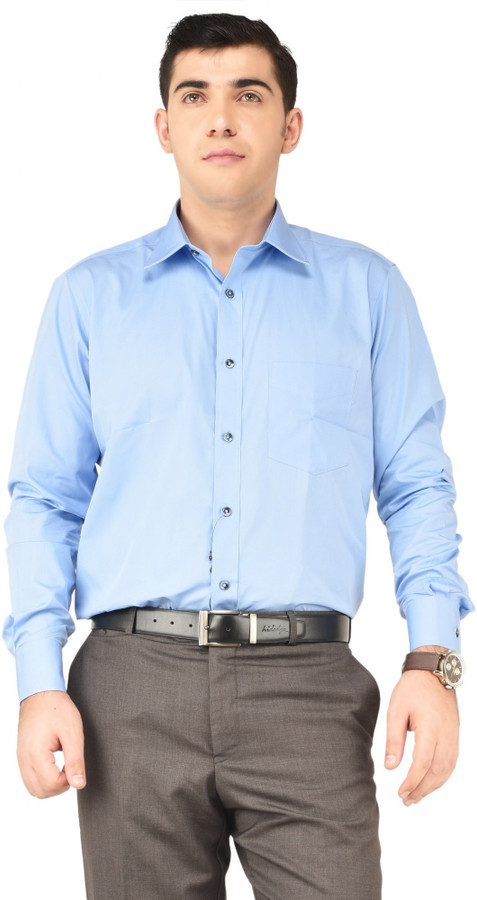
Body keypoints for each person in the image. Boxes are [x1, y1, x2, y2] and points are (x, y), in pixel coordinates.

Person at [3, 11, 473, 900]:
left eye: (247, 95)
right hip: (129, 691)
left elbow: (415, 487)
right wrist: (37, 681)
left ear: (290, 126)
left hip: (307, 689)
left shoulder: (367, 291)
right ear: (163, 126)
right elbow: (46, 498)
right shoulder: (88, 299)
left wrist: (432, 659)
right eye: (195, 96)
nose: (220, 118)